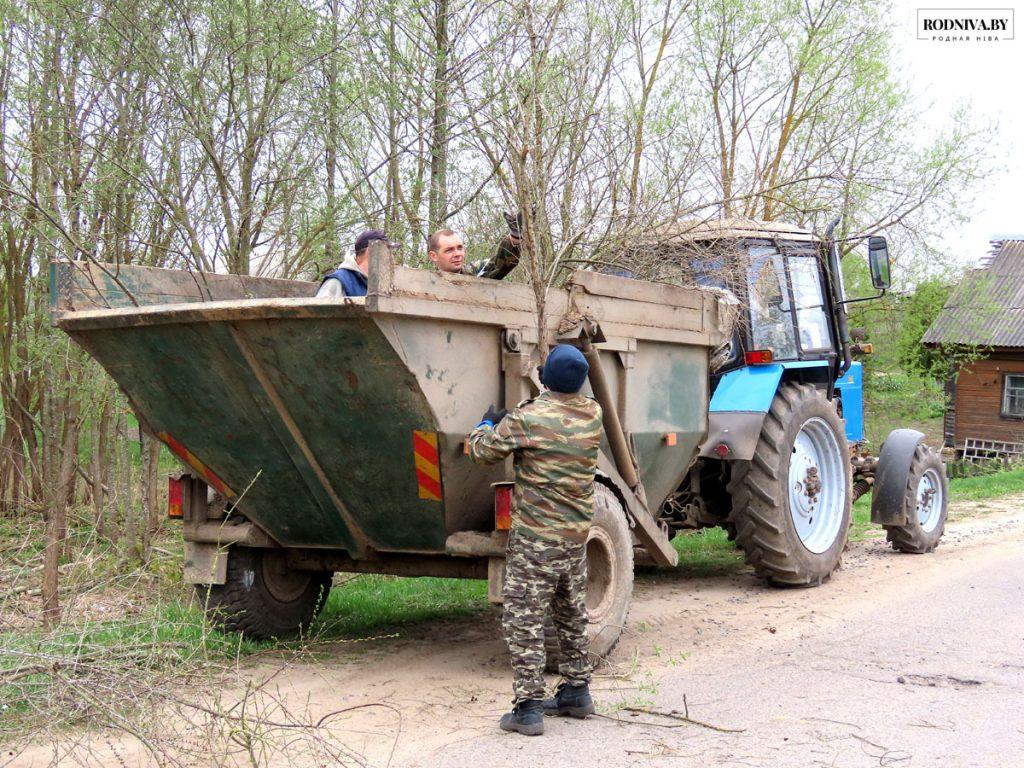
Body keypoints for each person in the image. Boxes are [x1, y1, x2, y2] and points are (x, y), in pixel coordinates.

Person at [467, 344, 603, 736]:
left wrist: (486, 423)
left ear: (547, 378)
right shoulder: (593, 414)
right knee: (570, 613)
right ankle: (577, 691)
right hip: (574, 537)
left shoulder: (530, 418)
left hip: (536, 540)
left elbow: (481, 453)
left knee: (524, 619)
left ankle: (528, 708)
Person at [427, 210, 525, 279]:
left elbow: (498, 265)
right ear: (433, 256)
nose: (457, 254)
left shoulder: (475, 271)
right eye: (449, 250)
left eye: (460, 248)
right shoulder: (425, 283)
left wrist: (515, 236)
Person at [316, 229, 395, 298]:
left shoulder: (383, 285)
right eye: (387, 250)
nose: (391, 256)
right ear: (371, 251)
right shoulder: (336, 282)